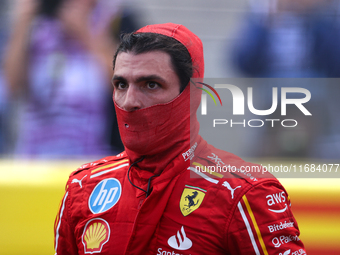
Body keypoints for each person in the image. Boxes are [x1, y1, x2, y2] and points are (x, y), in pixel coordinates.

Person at [54, 23, 306, 255]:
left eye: (150, 85)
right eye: (121, 84)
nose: (129, 101)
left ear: (192, 94)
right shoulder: (84, 187)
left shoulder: (245, 193)